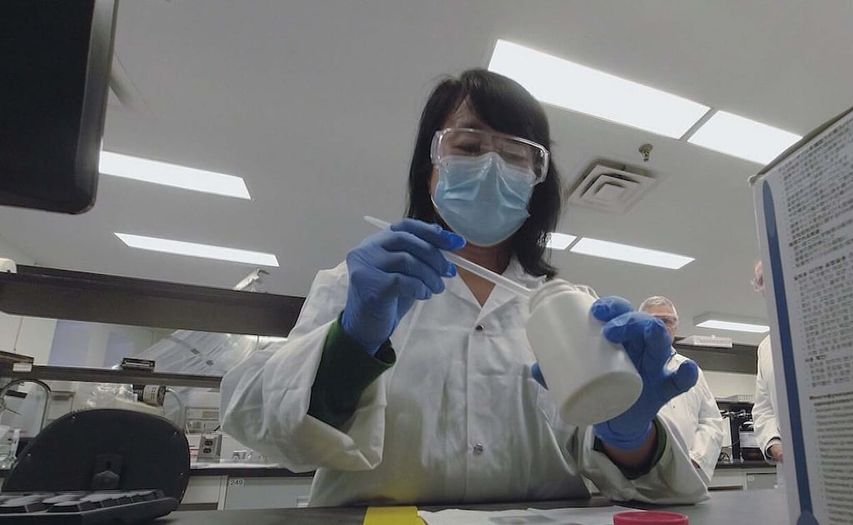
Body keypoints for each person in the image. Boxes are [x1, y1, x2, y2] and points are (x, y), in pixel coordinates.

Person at [220, 69, 709, 506]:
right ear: (430, 168)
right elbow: (258, 421)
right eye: (469, 147)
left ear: (537, 180)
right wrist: (350, 343)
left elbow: (637, 481)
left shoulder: (570, 306)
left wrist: (631, 438)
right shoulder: (358, 284)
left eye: (515, 154)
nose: (492, 165)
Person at [638, 296, 725, 482]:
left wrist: (695, 459)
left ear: (676, 327)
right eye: (653, 321)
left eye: (667, 321)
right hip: (637, 476)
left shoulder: (691, 369)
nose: (661, 327)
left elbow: (711, 421)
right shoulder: (626, 367)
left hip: (687, 474)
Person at [750, 260, 782, 462]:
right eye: (762, 280)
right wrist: (775, 446)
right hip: (788, 463)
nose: (769, 284)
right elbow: (763, 408)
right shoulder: (766, 347)